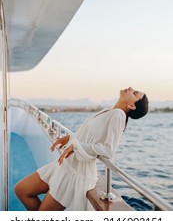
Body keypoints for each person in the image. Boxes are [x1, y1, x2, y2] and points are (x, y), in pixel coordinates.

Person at [15, 87, 149, 211]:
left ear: (131, 106)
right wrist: (69, 138)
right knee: (21, 190)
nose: (131, 88)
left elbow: (108, 150)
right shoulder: (109, 111)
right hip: (64, 165)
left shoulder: (118, 115)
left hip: (76, 172)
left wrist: (76, 146)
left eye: (135, 93)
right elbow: (89, 136)